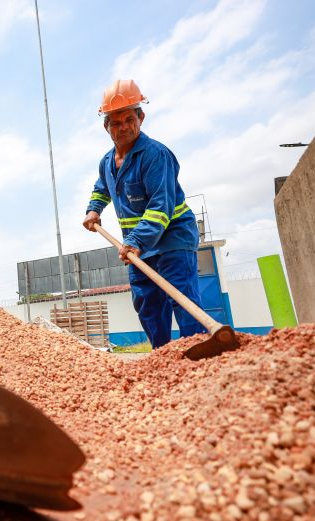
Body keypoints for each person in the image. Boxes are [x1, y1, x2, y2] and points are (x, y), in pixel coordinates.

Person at [82, 80, 206, 349]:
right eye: (115, 122)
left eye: (129, 119)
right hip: (137, 244)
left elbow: (160, 207)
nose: (123, 127)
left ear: (141, 117)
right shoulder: (106, 162)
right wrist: (94, 210)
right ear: (106, 127)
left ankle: (200, 353)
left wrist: (136, 241)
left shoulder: (155, 155)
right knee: (147, 302)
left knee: (182, 296)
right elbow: (102, 188)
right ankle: (163, 355)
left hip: (172, 236)